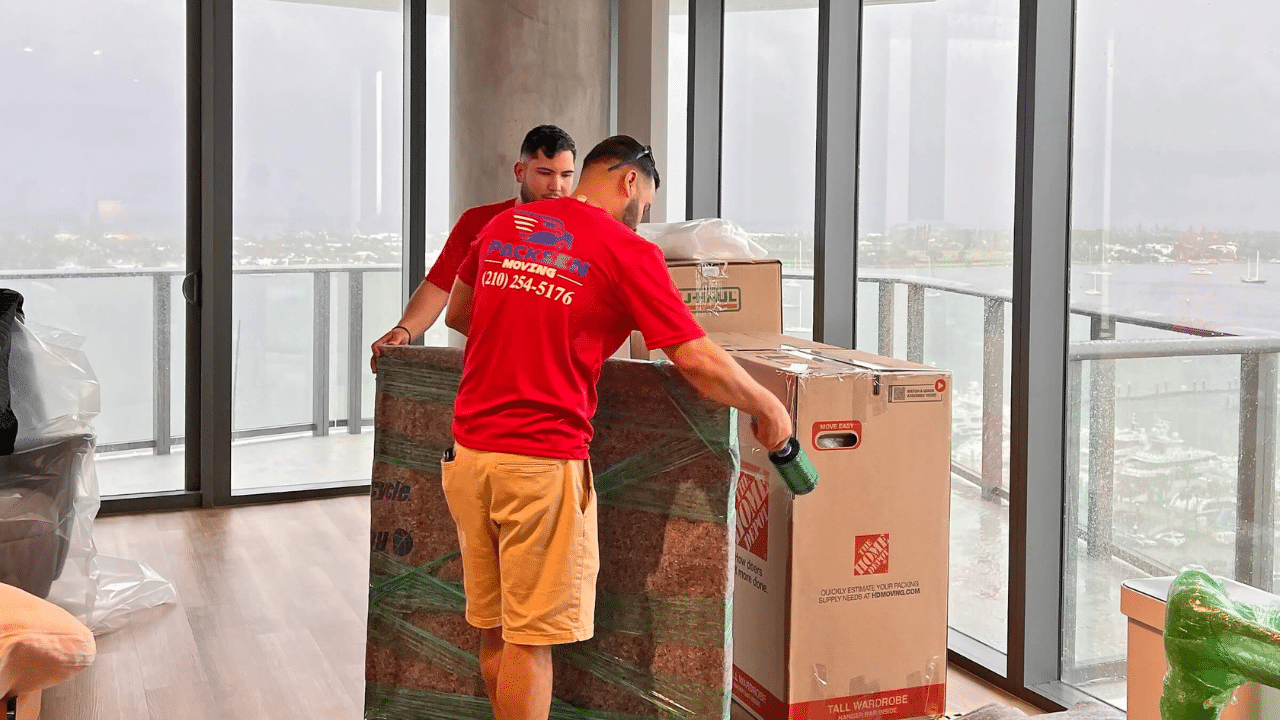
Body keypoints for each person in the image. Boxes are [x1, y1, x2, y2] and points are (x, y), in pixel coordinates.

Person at [441, 135, 793, 720]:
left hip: (468, 457)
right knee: (531, 642)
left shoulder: (506, 226)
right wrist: (768, 406)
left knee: (497, 630)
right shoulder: (626, 251)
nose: (642, 216)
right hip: (539, 465)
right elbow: (695, 358)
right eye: (645, 204)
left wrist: (537, 326)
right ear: (630, 180)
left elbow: (459, 313)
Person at [368, 125, 577, 372]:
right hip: (492, 364)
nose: (556, 186)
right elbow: (440, 284)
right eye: (545, 173)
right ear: (520, 172)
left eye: (566, 175)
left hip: (560, 366)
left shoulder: (585, 230)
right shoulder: (478, 221)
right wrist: (404, 330)